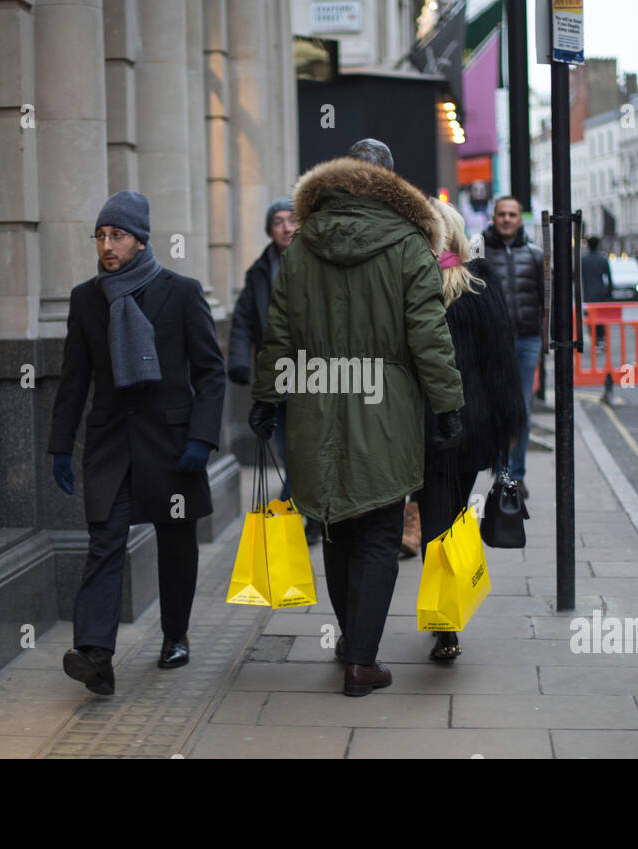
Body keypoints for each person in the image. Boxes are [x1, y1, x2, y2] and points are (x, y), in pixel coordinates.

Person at [249, 138, 464, 697]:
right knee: (379, 529)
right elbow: (429, 336)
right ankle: (362, 661)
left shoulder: (300, 247)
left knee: (337, 525)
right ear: (391, 185)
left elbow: (279, 332)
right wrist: (447, 406)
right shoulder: (411, 245)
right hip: (384, 403)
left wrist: (266, 398)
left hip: (315, 400)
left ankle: (351, 641)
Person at [49, 190, 226, 695]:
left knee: (175, 542)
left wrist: (202, 437)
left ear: (141, 241)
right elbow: (74, 378)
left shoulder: (182, 292)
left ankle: (175, 635)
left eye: (117, 236)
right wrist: (61, 445)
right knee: (104, 541)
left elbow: (211, 374)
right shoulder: (87, 299)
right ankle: (95, 655)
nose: (107, 245)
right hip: (111, 445)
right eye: (101, 236)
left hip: (171, 445)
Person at [413, 197, 525, 662]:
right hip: (470, 424)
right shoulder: (481, 284)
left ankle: (446, 621)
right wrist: (506, 428)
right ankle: (447, 619)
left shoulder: (414, 285)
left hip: (421, 425)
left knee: (435, 519)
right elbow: (502, 363)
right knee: (451, 517)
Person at [227, 198, 321, 544]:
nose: (286, 227)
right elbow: (242, 321)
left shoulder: (317, 262)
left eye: (291, 219)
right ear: (270, 230)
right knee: (288, 451)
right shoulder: (258, 271)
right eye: (278, 222)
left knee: (306, 450)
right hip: (276, 377)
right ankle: (302, 514)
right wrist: (238, 361)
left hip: (313, 375)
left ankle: (295, 515)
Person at [481, 195, 546, 499]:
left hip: (526, 339)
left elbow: (545, 299)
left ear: (521, 219)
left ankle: (516, 476)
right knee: (496, 408)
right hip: (493, 341)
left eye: (512, 214)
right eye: (501, 214)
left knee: (521, 408)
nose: (507, 219)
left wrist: (546, 340)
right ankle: (500, 472)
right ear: (493, 217)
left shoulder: (534, 253)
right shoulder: (478, 251)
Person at [579, 236, 613, 349]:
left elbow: (579, 278)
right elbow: (609, 278)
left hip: (588, 293)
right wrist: (609, 293)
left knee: (590, 318)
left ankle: (594, 339)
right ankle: (601, 339)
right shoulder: (603, 259)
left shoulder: (584, 260)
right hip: (600, 293)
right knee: (601, 318)